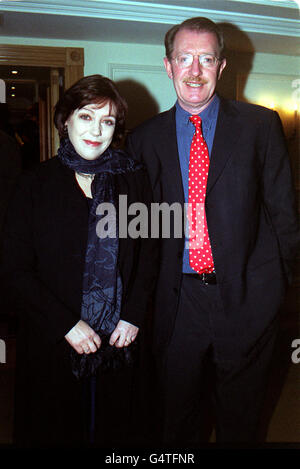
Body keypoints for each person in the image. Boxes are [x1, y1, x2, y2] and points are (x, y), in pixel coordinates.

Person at [126, 17, 300, 446]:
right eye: (185, 58)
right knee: (177, 417)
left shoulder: (261, 126)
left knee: (241, 419)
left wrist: (280, 290)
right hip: (177, 302)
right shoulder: (144, 139)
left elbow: (284, 214)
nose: (195, 70)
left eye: (206, 58)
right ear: (168, 66)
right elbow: (141, 229)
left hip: (247, 298)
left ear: (221, 66)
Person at [0, 74, 157, 448]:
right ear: (65, 119)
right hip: (54, 343)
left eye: (108, 121)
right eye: (87, 117)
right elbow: (14, 270)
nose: (96, 130)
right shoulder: (32, 185)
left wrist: (133, 315)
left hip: (120, 342)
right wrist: (67, 324)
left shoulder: (134, 182)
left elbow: (151, 253)